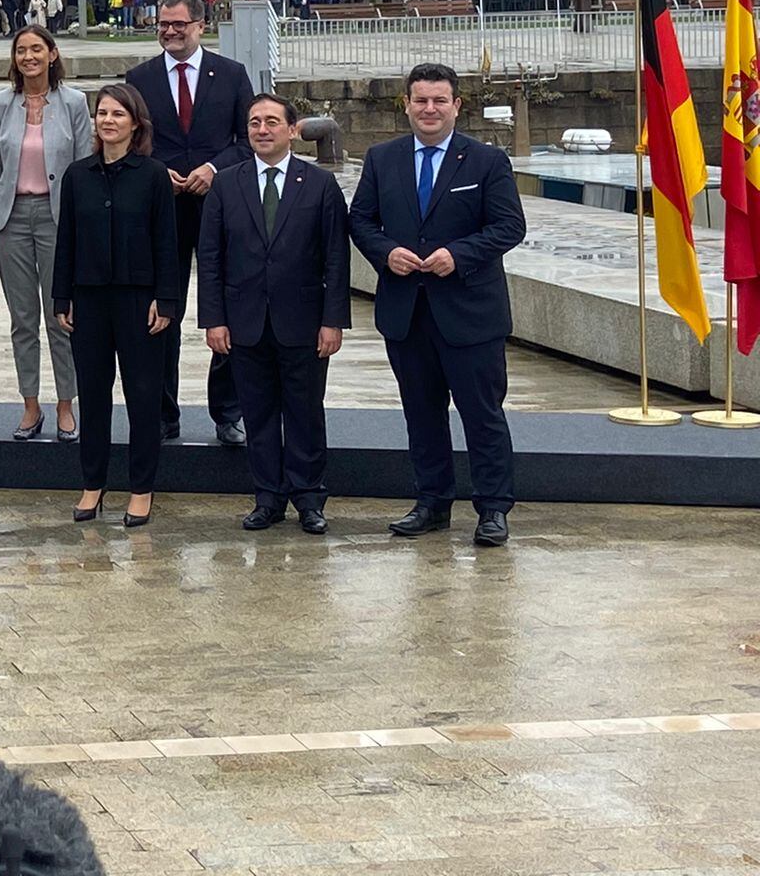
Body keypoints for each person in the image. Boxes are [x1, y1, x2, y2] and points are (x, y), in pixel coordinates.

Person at [348, 63, 527, 547]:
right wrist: (385, 253)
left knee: (482, 415)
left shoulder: (487, 162)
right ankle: (431, 503)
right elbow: (360, 220)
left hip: (470, 313)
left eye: (439, 101)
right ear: (406, 104)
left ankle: (492, 509)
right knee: (421, 414)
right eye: (421, 100)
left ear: (456, 107)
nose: (429, 109)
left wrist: (459, 255)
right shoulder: (382, 158)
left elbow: (510, 227)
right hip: (407, 314)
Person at [198, 94, 350, 535]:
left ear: (292, 129)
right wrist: (214, 319)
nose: (261, 130)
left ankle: (309, 498)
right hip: (243, 323)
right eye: (253, 123)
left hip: (304, 323)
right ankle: (267, 498)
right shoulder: (227, 184)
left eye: (270, 122)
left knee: (304, 413)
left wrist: (332, 320)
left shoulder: (319, 184)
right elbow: (210, 258)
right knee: (258, 414)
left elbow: (335, 259)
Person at [125, 0, 251, 447]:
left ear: (201, 24)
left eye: (179, 24)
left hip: (221, 207)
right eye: (164, 24)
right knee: (161, 311)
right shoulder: (139, 77)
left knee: (226, 307)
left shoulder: (232, 75)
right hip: (161, 206)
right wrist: (160, 171)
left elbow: (247, 139)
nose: (171, 31)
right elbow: (129, 139)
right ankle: (162, 413)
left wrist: (213, 169)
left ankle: (228, 411)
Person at [52, 84, 180, 528]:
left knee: (143, 395)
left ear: (135, 124)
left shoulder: (153, 176)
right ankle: (93, 484)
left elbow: (169, 244)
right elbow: (65, 238)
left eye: (117, 115)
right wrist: (60, 296)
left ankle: (141, 489)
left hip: (139, 300)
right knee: (92, 393)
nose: (108, 121)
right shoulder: (77, 175)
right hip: (87, 298)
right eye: (102, 113)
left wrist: (166, 300)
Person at [0, 25, 93, 442]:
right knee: (22, 319)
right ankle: (30, 404)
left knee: (60, 316)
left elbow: (84, 170)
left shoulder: (75, 103)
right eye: (21, 50)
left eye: (36, 49)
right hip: (11, 220)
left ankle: (66, 404)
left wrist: (83, 229)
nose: (29, 57)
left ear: (52, 54)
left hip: (58, 219)